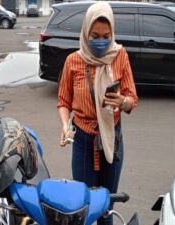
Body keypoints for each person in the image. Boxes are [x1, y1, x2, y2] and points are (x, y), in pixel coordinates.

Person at [57, 2, 138, 225]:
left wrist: (122, 101)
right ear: (85, 32)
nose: (101, 41)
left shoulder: (120, 55)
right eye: (94, 35)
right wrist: (65, 125)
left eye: (106, 35)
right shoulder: (73, 61)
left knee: (106, 208)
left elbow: (133, 100)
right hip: (83, 139)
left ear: (112, 33)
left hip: (112, 139)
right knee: (82, 206)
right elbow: (63, 101)